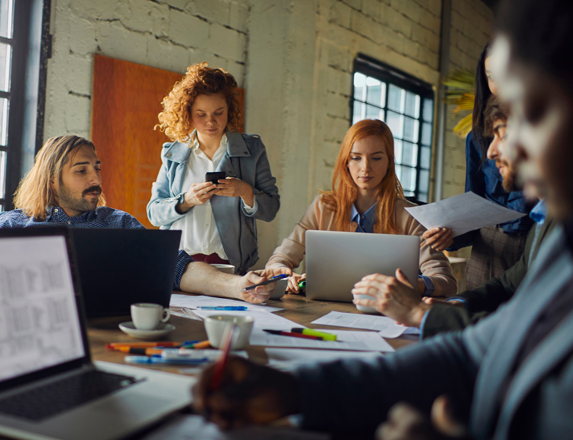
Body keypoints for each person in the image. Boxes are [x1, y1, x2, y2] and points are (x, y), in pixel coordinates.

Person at [192, 0, 573, 437]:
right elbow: (475, 354)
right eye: (355, 158)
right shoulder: (559, 245)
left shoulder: (414, 213)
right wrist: (293, 390)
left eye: (534, 111)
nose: (499, 149)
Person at [354, 96, 555, 339]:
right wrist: (459, 303)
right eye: (355, 157)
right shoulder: (546, 215)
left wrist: (420, 313)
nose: (490, 152)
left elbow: (531, 335)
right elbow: (509, 283)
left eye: (503, 135)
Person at [0, 135, 274, 304]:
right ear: (52, 181)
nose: (96, 179)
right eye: (81, 171)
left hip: (113, 338)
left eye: (97, 168)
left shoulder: (117, 223)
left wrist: (239, 286)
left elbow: (176, 266)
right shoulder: (12, 226)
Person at [265, 119, 456, 297]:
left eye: (376, 158)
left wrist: (410, 285)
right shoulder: (322, 207)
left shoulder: (411, 217)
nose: (365, 168)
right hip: (323, 312)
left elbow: (446, 282)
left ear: (389, 162)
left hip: (388, 317)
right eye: (356, 158)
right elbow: (280, 259)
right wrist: (284, 273)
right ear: (346, 162)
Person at [422, 40, 536, 289]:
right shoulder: (478, 138)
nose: (498, 84)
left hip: (538, 243)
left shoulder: (546, 131)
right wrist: (449, 235)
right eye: (491, 76)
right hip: (489, 249)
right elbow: (473, 203)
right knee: (475, 316)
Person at [147, 62, 279, 275]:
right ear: (187, 113)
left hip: (230, 267)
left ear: (230, 110)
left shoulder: (252, 150)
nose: (211, 122)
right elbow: (154, 214)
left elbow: (271, 209)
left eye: (219, 112)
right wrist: (186, 200)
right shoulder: (173, 153)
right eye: (201, 114)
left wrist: (244, 191)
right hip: (178, 265)